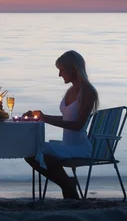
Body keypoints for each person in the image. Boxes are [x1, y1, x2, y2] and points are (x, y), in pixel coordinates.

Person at [23, 50, 99, 200]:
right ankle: (67, 183)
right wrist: (40, 116)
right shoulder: (71, 90)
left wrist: (45, 118)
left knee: (38, 153)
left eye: (61, 70)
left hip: (79, 148)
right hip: (67, 146)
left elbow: (77, 125)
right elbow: (66, 118)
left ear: (73, 69)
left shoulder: (88, 91)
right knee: (30, 150)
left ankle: (67, 185)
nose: (59, 75)